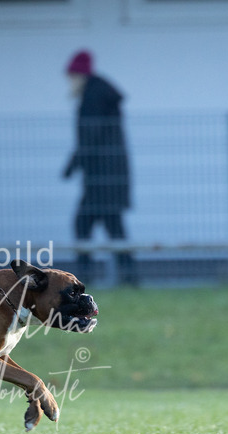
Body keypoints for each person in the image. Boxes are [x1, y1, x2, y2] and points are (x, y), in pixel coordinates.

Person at [62, 50, 137, 285]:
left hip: (101, 176)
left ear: (79, 75)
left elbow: (90, 137)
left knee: (84, 224)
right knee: (112, 228)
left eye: (71, 76)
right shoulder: (99, 93)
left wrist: (73, 164)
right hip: (108, 175)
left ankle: (82, 279)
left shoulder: (93, 96)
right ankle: (128, 277)